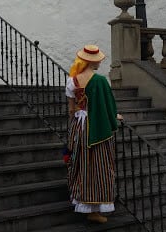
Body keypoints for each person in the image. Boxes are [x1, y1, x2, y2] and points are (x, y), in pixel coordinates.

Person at [65, 44, 122, 224]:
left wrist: (76, 127)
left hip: (78, 128)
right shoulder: (100, 81)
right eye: (98, 61)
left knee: (81, 164)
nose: (99, 64)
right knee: (99, 165)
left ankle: (83, 201)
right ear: (92, 62)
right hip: (96, 128)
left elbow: (71, 110)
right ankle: (95, 208)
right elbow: (107, 106)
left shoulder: (72, 81)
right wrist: (114, 116)